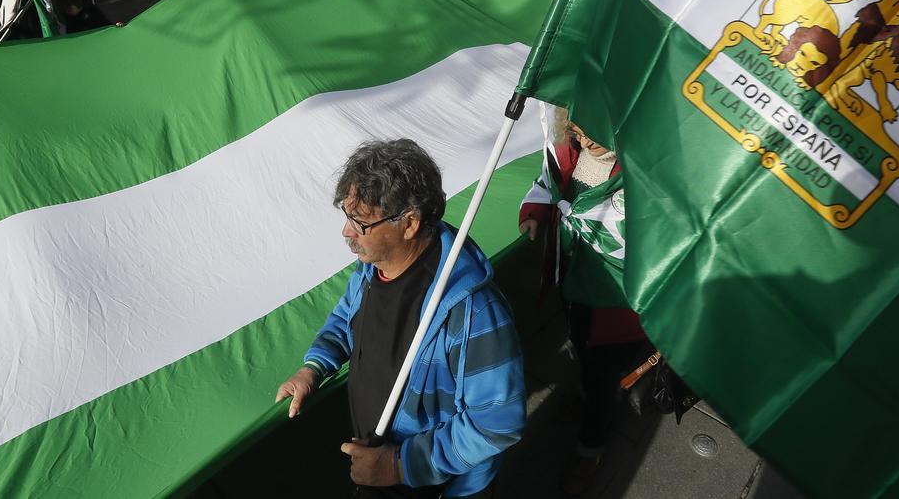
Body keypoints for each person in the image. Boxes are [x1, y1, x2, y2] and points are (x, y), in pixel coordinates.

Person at [275, 139, 526, 499]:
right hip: (376, 469)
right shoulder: (371, 268)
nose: (347, 232)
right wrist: (313, 368)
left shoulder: (474, 312)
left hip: (437, 487)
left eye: (360, 223)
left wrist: (399, 465)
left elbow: (497, 423)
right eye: (347, 216)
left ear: (408, 223)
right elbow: (346, 318)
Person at [519, 112, 650, 496]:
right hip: (574, 279)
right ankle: (588, 393)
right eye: (577, 130)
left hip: (616, 300)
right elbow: (546, 183)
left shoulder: (643, 170)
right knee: (579, 342)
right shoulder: (568, 153)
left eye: (595, 134)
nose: (586, 141)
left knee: (602, 375)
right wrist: (534, 212)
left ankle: (589, 450)